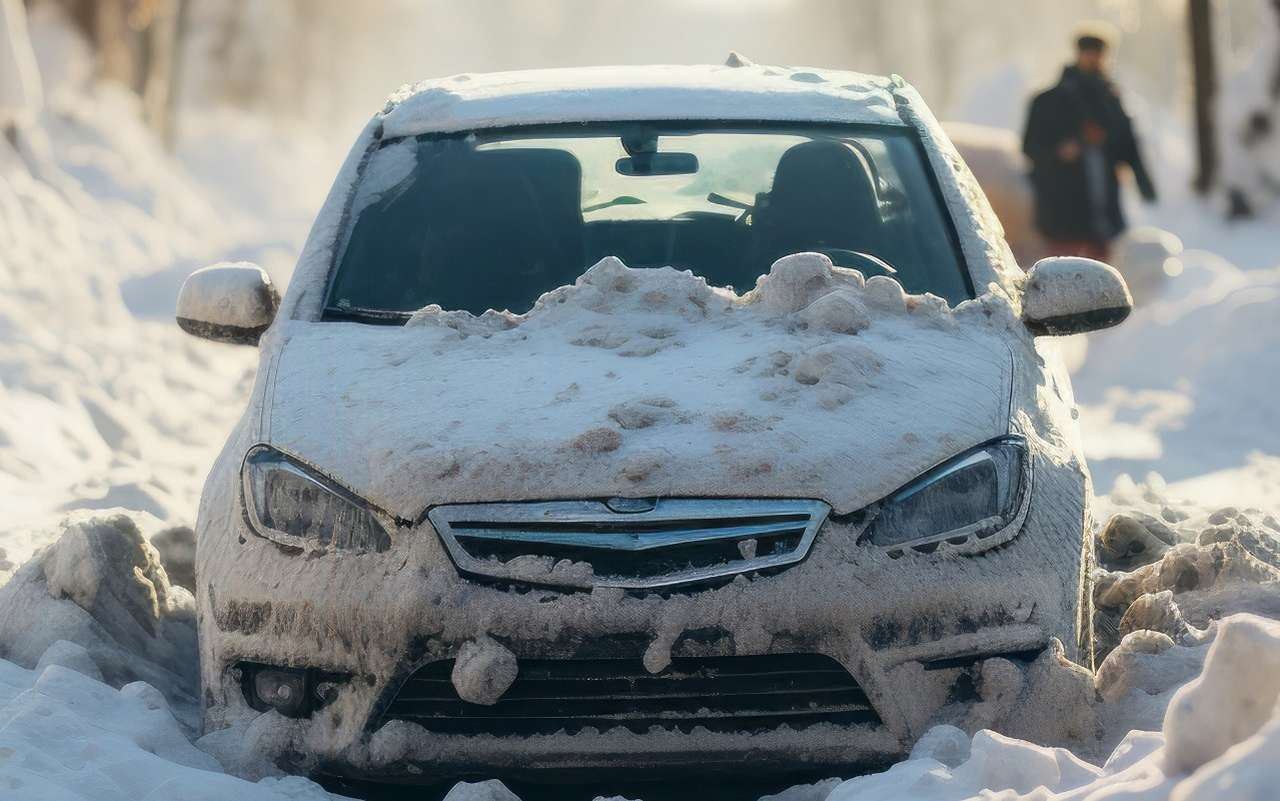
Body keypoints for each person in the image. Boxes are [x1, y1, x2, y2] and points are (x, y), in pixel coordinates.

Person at [1023, 28, 1156, 262]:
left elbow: (1128, 147)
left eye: (1098, 53)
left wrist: (1144, 183)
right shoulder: (1048, 101)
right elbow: (1030, 147)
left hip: (1101, 212)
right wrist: (1060, 153)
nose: (1093, 58)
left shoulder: (1111, 101)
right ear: (1078, 54)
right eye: (1088, 52)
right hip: (1061, 210)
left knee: (1100, 276)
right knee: (1061, 274)